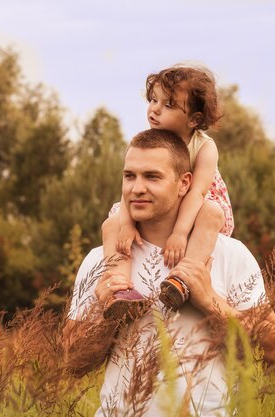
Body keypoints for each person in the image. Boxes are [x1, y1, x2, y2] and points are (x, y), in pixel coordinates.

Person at [62, 129, 275, 417]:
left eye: (152, 177)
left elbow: (273, 347)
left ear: (184, 183)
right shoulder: (102, 259)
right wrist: (103, 315)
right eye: (130, 176)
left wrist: (209, 300)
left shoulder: (230, 254)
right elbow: (71, 362)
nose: (137, 188)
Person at [102, 64, 234, 318]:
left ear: (194, 119)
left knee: (211, 212)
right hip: (158, 204)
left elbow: (196, 193)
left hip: (195, 204)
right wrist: (126, 225)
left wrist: (180, 234)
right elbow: (130, 188)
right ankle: (117, 287)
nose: (155, 109)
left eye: (168, 105)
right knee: (112, 224)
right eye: (153, 100)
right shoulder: (146, 141)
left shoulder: (205, 147)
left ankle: (183, 279)